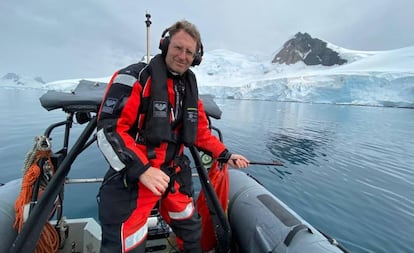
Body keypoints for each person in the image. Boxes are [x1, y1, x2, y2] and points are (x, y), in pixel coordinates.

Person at [96, 20, 249, 253]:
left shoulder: (188, 88)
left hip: (173, 174)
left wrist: (225, 154)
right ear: (165, 45)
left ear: (195, 58)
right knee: (127, 244)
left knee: (192, 231)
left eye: (189, 52)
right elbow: (109, 130)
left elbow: (200, 132)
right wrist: (142, 170)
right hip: (136, 176)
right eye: (178, 47)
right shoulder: (134, 78)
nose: (183, 55)